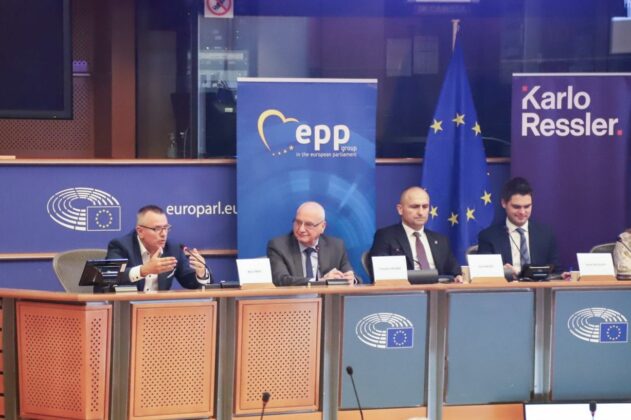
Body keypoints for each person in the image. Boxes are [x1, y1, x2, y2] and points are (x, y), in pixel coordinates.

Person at [101, 204, 212, 292]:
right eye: (157, 229)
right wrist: (144, 270)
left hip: (159, 310)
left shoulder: (173, 248)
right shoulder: (121, 246)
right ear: (140, 231)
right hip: (126, 309)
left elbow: (189, 282)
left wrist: (201, 273)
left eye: (166, 228)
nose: (164, 234)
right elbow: (111, 276)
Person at [368, 186, 462, 282]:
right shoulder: (386, 236)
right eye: (415, 207)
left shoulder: (441, 240)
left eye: (425, 207)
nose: (421, 212)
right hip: (405, 290)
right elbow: (379, 274)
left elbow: (455, 272)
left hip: (438, 290)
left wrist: (458, 276)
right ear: (400, 209)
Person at [477, 177, 560, 280]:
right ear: (504, 203)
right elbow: (483, 273)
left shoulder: (546, 234)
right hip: (506, 288)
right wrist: (500, 271)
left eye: (527, 206)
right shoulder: (488, 236)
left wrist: (562, 275)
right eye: (516, 207)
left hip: (539, 288)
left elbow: (556, 271)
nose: (522, 212)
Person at [267, 201, 355, 286]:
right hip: (295, 296)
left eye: (308, 224)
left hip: (327, 297)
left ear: (323, 226)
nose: (301, 229)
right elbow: (282, 280)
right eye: (298, 222)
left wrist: (351, 280)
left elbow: (351, 276)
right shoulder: (278, 246)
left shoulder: (336, 246)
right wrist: (319, 282)